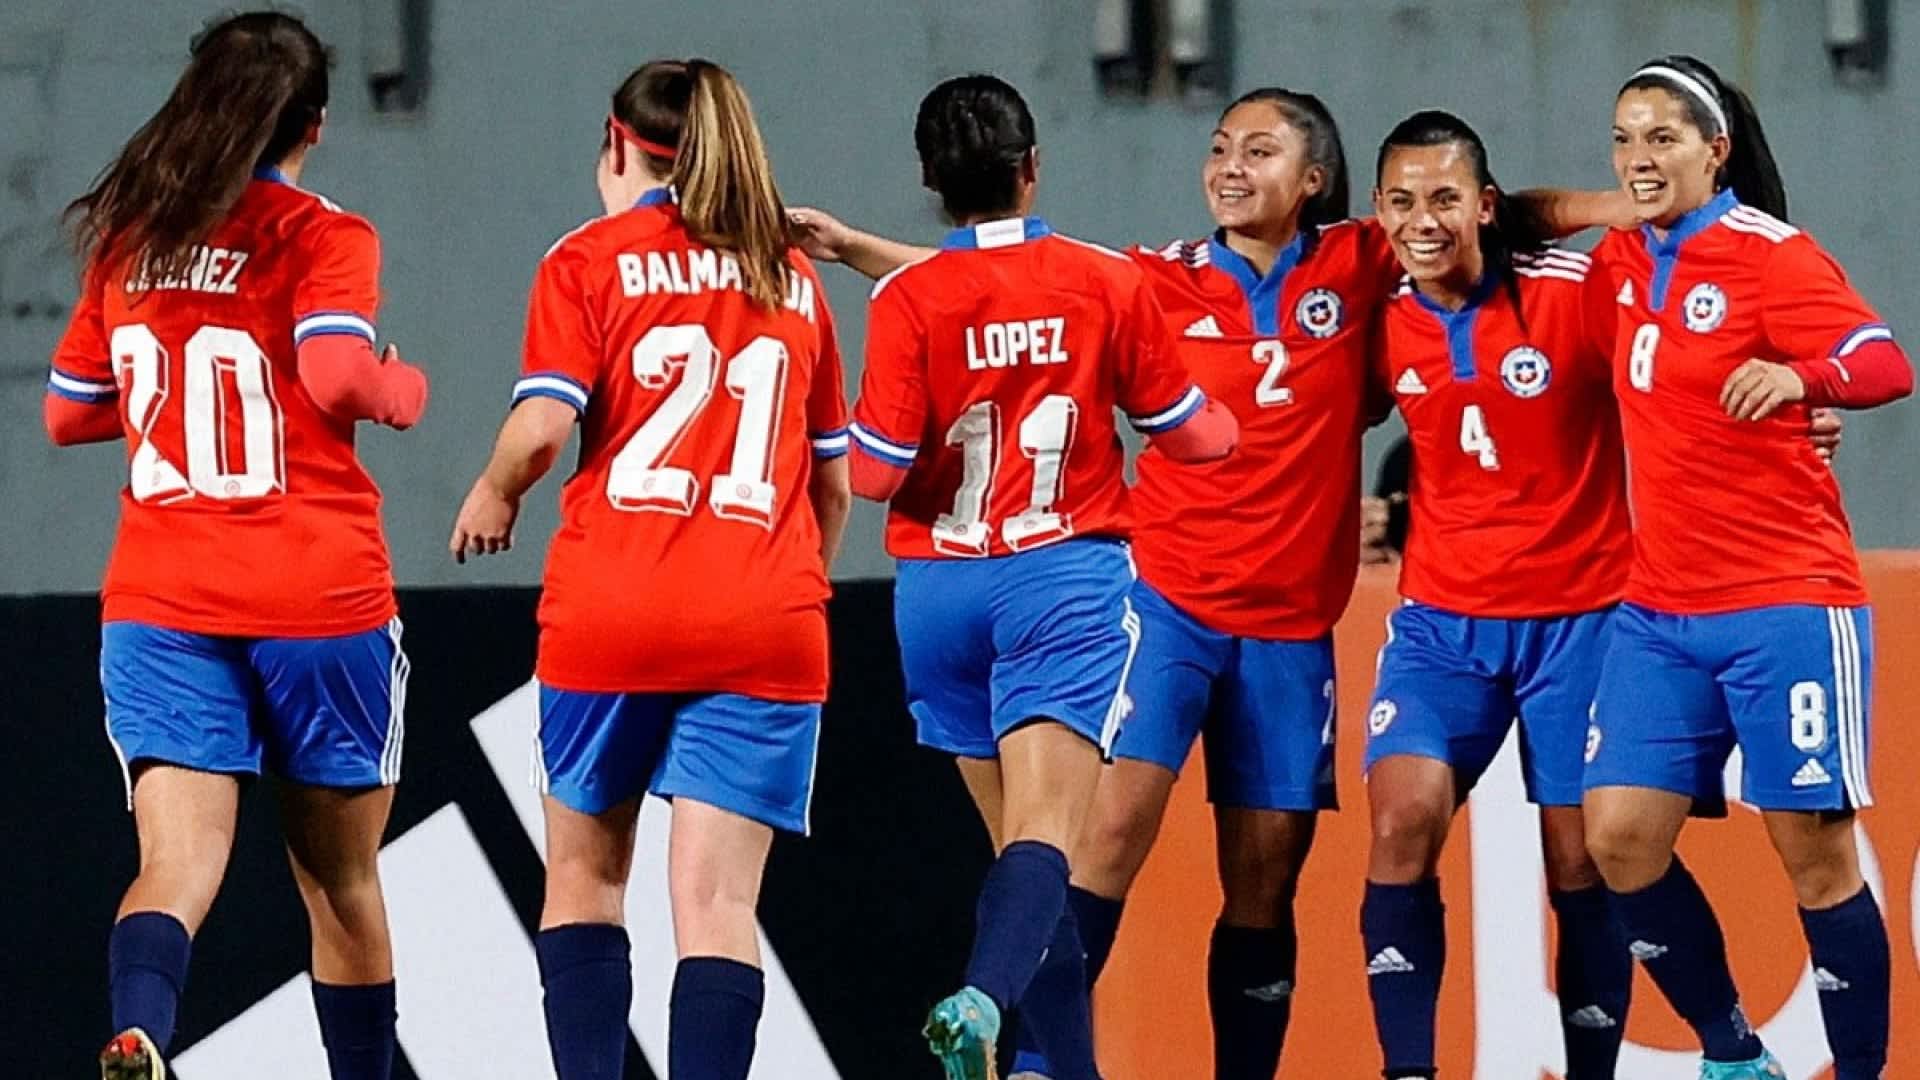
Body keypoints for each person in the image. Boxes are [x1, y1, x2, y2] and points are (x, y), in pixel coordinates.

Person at [797, 87, 1634, 1080]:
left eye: (1261, 151)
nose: (1232, 166)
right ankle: (1036, 1065)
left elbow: (1494, 208)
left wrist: (1645, 206)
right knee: (1099, 839)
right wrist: (857, 248)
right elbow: (1006, 281)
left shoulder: (1367, 259)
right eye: (1221, 147)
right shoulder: (1155, 277)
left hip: (1288, 631)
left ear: (1314, 183)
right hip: (1164, 607)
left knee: (1265, 882)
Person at [446, 59, 852, 1080]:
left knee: (585, 879)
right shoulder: (790, 275)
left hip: (615, 611)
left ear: (619, 141)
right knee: (717, 906)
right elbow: (832, 487)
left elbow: (543, 427)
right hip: (768, 619)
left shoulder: (588, 260)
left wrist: (495, 489)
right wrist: (791, 586)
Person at [46, 12, 428, 1080]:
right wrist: (402, 391)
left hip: (165, 601)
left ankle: (139, 1033)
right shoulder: (323, 233)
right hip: (316, 597)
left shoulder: (134, 238)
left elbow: (69, 414)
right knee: (341, 885)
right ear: (312, 123)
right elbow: (340, 377)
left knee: (174, 863)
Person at [844, 74, 1236, 1080]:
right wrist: (1224, 423)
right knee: (1048, 844)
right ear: (1033, 168)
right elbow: (1192, 436)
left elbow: (879, 473)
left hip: (938, 594)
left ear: (931, 181)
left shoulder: (908, 297)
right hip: (1060, 580)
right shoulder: (1105, 280)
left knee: (1024, 857)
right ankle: (982, 1002)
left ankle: (1057, 1071)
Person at [1580, 55, 1912, 1080]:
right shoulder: (1618, 263)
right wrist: (1621, 199)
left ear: (1716, 149)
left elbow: (1885, 363)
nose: (1640, 157)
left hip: (1786, 604)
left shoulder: (1772, 256)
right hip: (1659, 610)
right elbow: (1529, 218)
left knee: (1813, 858)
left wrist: (1801, 376)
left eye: (1664, 138)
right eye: (1625, 137)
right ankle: (1734, 1056)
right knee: (1620, 840)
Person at [1360, 110, 1636, 1080]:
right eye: (1399, 201)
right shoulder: (1375, 308)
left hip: (1585, 623)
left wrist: (1798, 415)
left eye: (1443, 198)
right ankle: (1410, 1072)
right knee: (1400, 821)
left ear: (1487, 206)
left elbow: (1686, 367)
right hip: (1443, 628)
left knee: (1581, 862)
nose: (1420, 221)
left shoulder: (1577, 292)